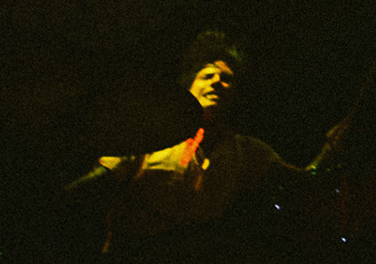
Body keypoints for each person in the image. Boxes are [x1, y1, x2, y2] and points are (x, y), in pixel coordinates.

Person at [65, 30, 346, 258]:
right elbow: (102, 177)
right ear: (189, 85)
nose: (216, 82)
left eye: (226, 79)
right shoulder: (153, 129)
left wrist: (331, 147)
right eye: (207, 75)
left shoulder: (246, 151)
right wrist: (59, 198)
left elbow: (300, 182)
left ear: (235, 95)